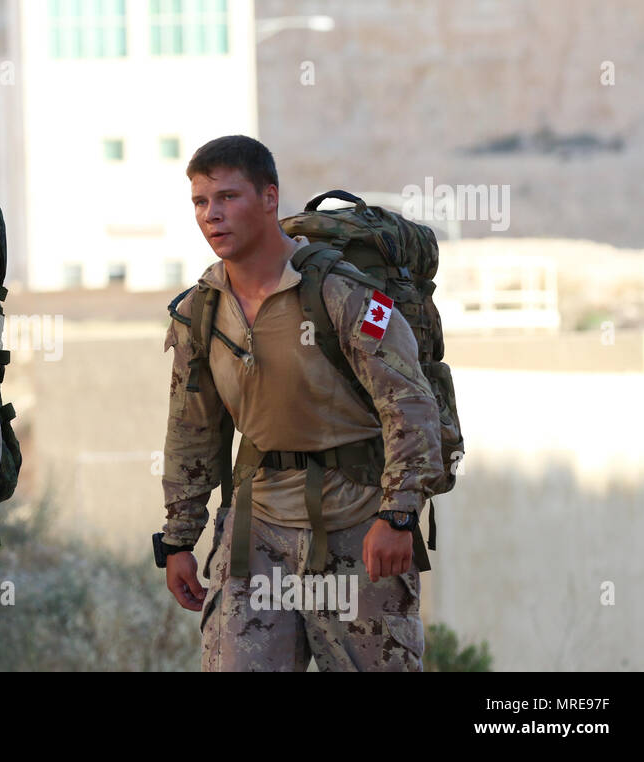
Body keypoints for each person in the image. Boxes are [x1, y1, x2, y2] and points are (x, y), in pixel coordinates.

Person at [157, 135, 444, 671]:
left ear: (270, 198)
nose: (212, 215)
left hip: (358, 528)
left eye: (228, 197)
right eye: (201, 201)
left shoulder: (341, 295)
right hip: (256, 530)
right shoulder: (200, 310)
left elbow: (410, 406)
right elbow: (190, 432)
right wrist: (178, 539)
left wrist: (399, 516)